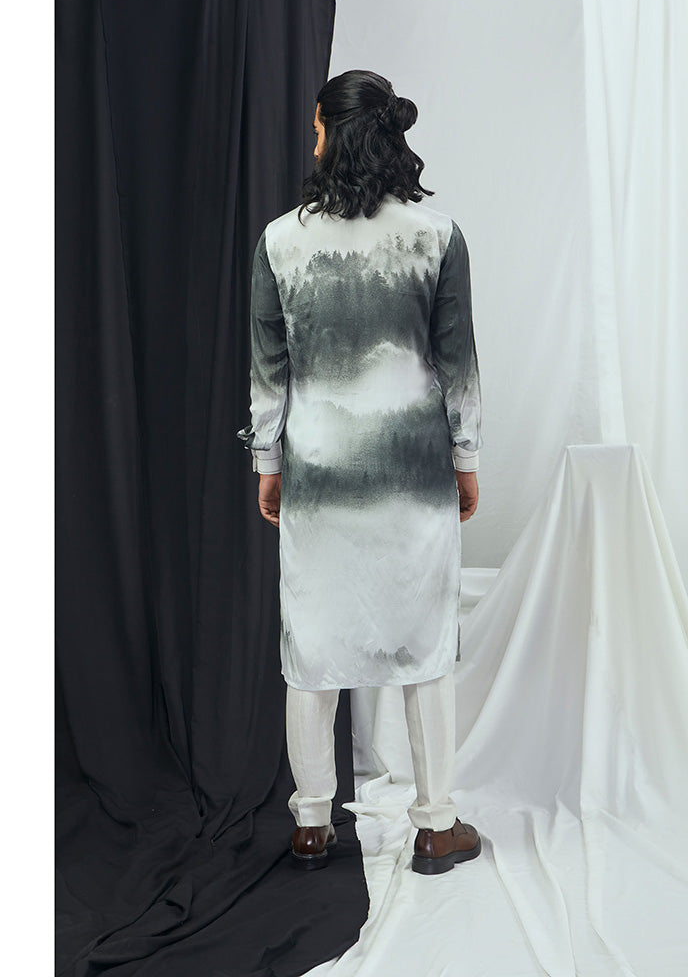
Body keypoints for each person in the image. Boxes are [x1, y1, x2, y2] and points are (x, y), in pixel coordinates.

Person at [236, 70, 483, 876]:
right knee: (426, 643)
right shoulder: (437, 236)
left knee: (312, 645)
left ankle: (312, 825)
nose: (310, 142)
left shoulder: (281, 241)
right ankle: (435, 826)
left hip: (319, 476)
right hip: (415, 475)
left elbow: (269, 372)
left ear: (333, 135)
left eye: (316, 129)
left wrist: (268, 463)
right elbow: (457, 365)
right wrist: (466, 459)